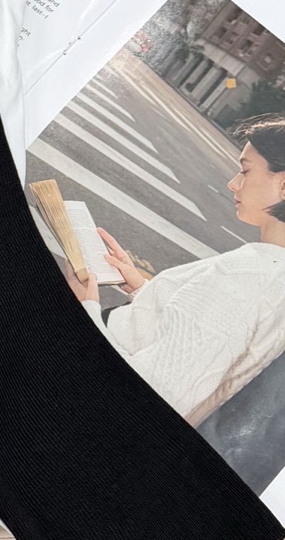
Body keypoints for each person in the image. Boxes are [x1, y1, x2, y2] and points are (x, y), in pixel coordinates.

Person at [63, 112, 285, 425]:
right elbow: (203, 345)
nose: (233, 183)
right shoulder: (270, 277)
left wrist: (84, 306)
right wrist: (146, 291)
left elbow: (148, 394)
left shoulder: (244, 277)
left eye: (245, 170)